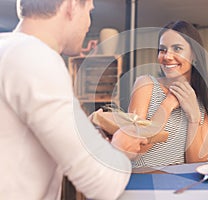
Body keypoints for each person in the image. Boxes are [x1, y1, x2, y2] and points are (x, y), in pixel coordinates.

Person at [0, 0, 148, 199]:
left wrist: (86, 130)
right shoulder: (35, 58)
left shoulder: (12, 49)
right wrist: (121, 148)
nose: (88, 23)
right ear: (71, 6)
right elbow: (102, 185)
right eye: (89, 11)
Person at [128, 20, 208, 168]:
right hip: (143, 181)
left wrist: (194, 117)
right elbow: (134, 149)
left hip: (179, 184)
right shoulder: (145, 85)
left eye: (177, 48)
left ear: (194, 55)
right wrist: (167, 105)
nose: (167, 56)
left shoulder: (201, 100)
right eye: (162, 49)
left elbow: (197, 164)